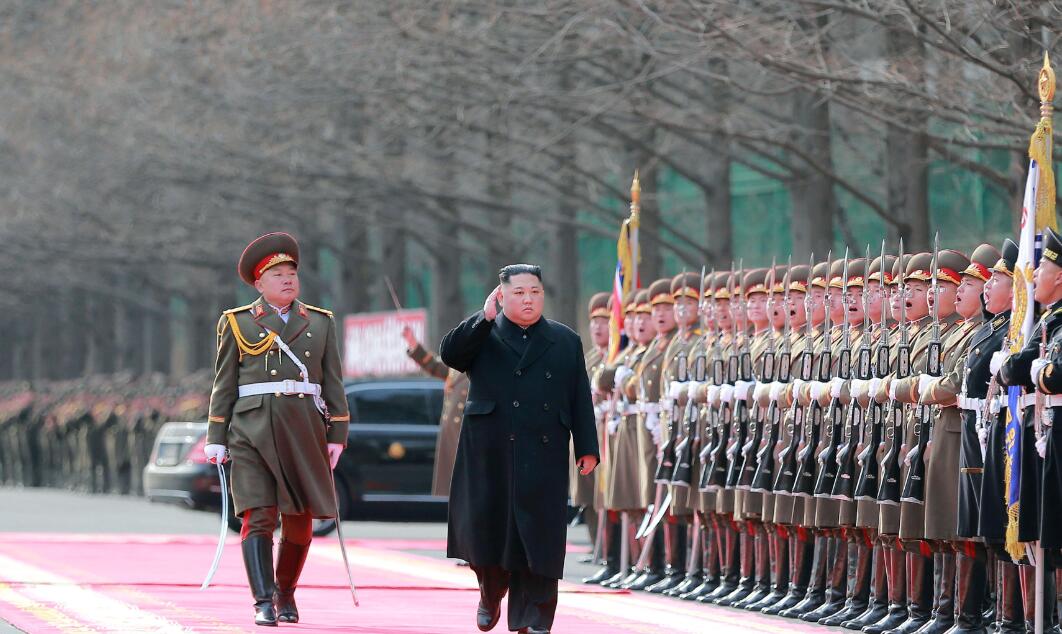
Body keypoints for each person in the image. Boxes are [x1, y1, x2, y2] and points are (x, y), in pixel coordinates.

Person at [440, 264, 599, 634]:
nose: (528, 299)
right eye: (519, 293)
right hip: (490, 450)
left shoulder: (564, 340)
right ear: (501, 295)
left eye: (535, 292)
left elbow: (579, 396)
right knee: (488, 532)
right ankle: (491, 590)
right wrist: (483, 317)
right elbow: (451, 355)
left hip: (543, 450)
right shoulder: (484, 333)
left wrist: (587, 446)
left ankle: (536, 618)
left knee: (540, 538)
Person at [204, 232, 350, 626]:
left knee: (300, 521)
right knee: (258, 513)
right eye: (277, 275)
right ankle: (262, 600)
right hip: (251, 429)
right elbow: (223, 383)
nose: (287, 280)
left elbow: (333, 382)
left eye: (291, 274)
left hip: (303, 429)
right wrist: (216, 436)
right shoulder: (237, 322)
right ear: (259, 284)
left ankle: (285, 591)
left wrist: (337, 434)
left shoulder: (319, 322)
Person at [402, 325, 470, 498]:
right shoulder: (458, 364)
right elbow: (435, 366)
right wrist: (413, 344)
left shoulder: (480, 364)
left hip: (466, 441)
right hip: (452, 439)